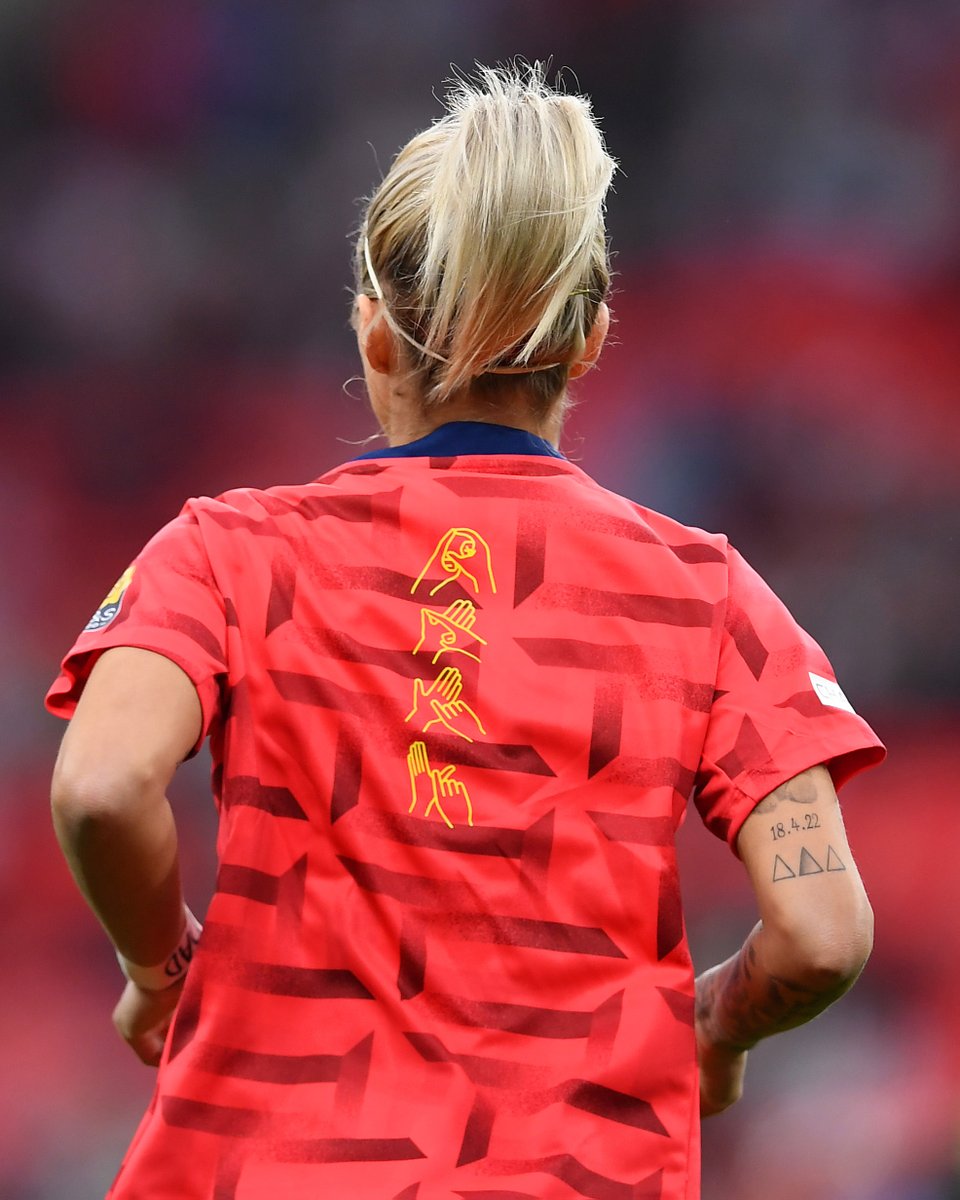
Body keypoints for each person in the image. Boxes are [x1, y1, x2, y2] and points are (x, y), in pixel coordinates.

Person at [47, 64, 884, 1200]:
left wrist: (158, 963)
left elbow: (100, 788)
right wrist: (710, 1031)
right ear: (589, 343)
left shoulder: (228, 553)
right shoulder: (709, 596)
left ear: (375, 336)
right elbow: (823, 935)